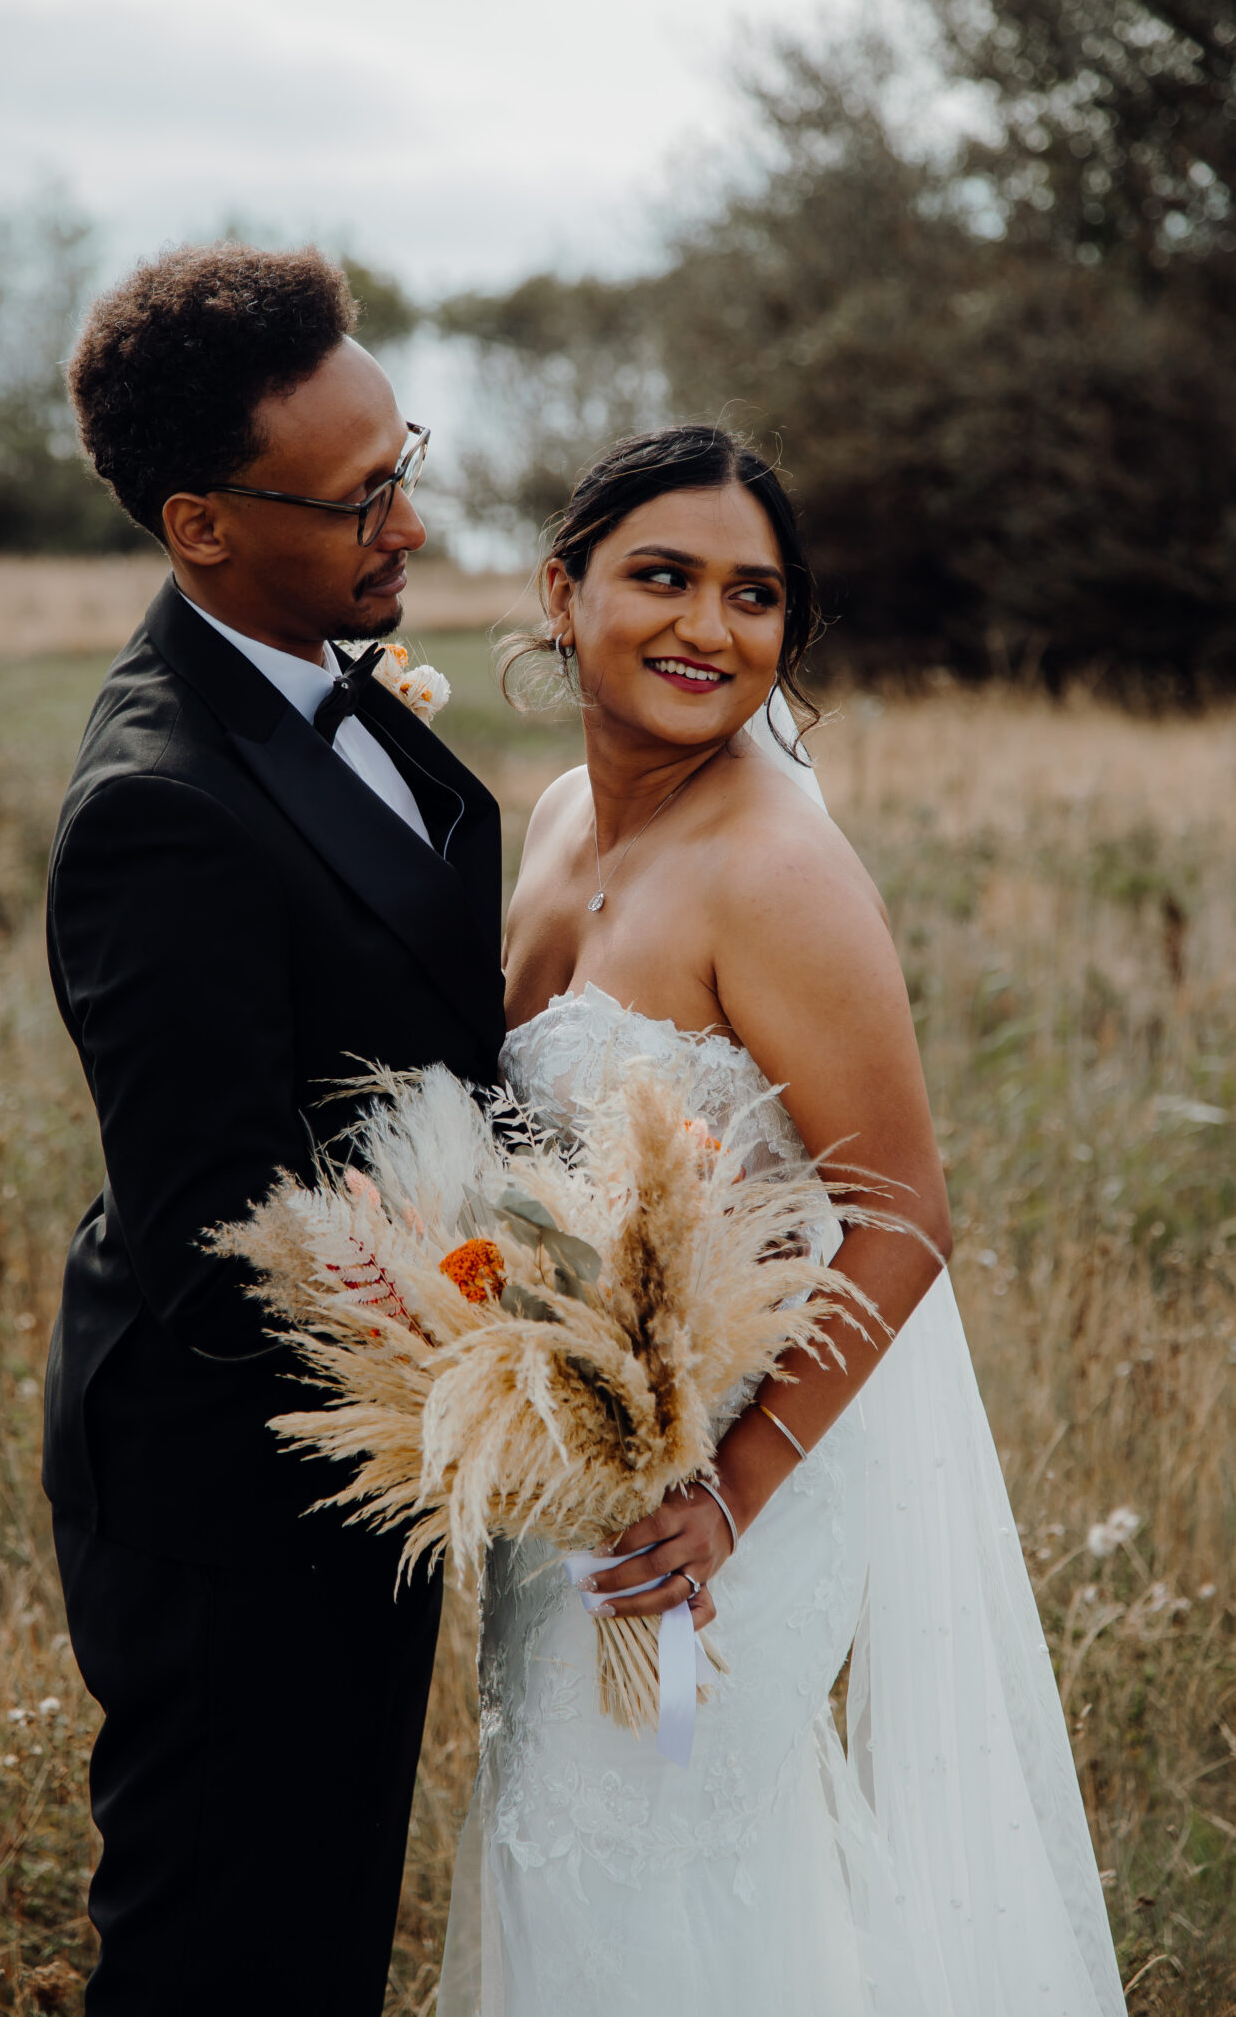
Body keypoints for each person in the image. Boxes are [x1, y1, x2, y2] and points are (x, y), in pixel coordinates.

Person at [437, 426, 1127, 2015]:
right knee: (559, 1836)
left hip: (729, 1493)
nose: (707, 627)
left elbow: (902, 1218)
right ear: (562, 590)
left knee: (651, 1858)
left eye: (753, 596)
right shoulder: (556, 820)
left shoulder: (774, 869)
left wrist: (725, 1497)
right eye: (661, 577)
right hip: (583, 1460)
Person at [45, 244, 505, 2016]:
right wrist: (520, 1335)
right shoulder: (162, 811)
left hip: (344, 1474)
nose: (406, 522)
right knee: (225, 1956)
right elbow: (213, 1243)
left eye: (405, 462)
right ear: (201, 525)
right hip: (230, 1507)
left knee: (317, 1933)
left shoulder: (321, 669)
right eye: (359, 498)